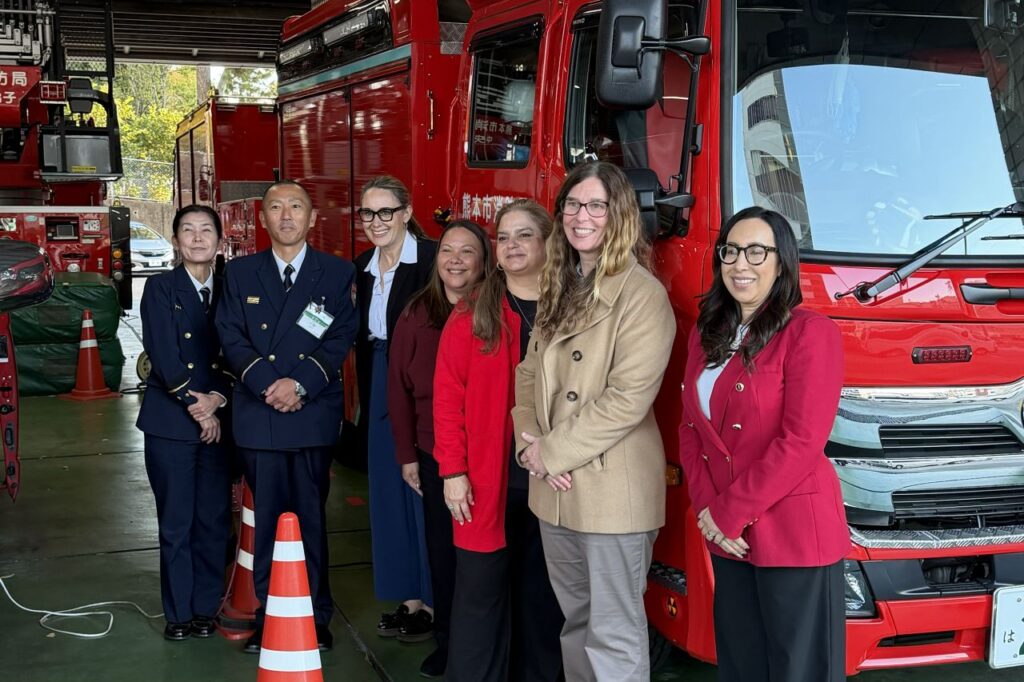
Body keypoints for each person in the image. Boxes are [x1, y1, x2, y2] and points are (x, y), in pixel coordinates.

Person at [513, 161, 675, 681]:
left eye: (596, 206)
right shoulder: (561, 286)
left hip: (611, 494)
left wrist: (552, 452)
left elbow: (627, 400)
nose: (582, 217)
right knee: (577, 625)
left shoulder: (643, 295)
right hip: (554, 489)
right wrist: (528, 444)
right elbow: (528, 375)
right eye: (574, 205)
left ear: (620, 214)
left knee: (613, 633)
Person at [677, 206, 849, 682]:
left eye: (756, 251)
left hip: (794, 534)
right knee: (742, 665)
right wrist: (708, 513)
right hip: (728, 536)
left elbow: (803, 440)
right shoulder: (706, 332)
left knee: (801, 670)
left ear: (782, 262)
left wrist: (727, 513)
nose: (740, 264)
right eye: (730, 251)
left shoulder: (810, 333)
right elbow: (690, 428)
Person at [215, 180, 358, 654]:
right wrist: (266, 384)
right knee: (270, 521)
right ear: (262, 219)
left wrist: (299, 385)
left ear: (312, 218)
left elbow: (341, 336)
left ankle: (316, 616)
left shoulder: (336, 274)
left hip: (311, 414)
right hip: (260, 417)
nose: (286, 215)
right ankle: (266, 615)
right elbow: (231, 336)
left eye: (296, 206)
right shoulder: (239, 273)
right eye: (275, 207)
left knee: (311, 520)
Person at [434, 201, 564, 682]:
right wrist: (453, 472)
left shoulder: (570, 308)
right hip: (486, 483)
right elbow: (447, 400)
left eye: (523, 235)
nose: (511, 246)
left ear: (548, 242)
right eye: (503, 237)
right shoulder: (472, 313)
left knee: (543, 599)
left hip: (552, 482)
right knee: (479, 599)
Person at [387, 219, 491, 678]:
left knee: (486, 560)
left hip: (490, 455)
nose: (454, 260)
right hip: (436, 456)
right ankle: (448, 644)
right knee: (444, 553)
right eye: (447, 250)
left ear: (483, 261)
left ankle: (487, 647)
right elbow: (397, 390)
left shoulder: (496, 310)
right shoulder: (415, 313)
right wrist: (407, 454)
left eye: (467, 252)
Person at [136, 204, 232, 641]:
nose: (197, 238)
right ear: (175, 241)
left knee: (213, 520)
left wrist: (217, 400)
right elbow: (164, 353)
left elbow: (241, 351)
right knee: (177, 522)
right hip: (171, 422)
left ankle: (203, 609)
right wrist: (197, 406)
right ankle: (177, 614)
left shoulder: (232, 288)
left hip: (218, 417)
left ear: (220, 240)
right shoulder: (160, 288)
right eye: (188, 231)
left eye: (206, 230)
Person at [352, 175, 439, 642]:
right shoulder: (363, 265)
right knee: (387, 493)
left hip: (421, 385)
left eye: (386, 212)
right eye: (368, 213)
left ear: (406, 213)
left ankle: (434, 598)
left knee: (422, 489)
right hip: (379, 379)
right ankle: (408, 597)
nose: (376, 221)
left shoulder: (431, 259)